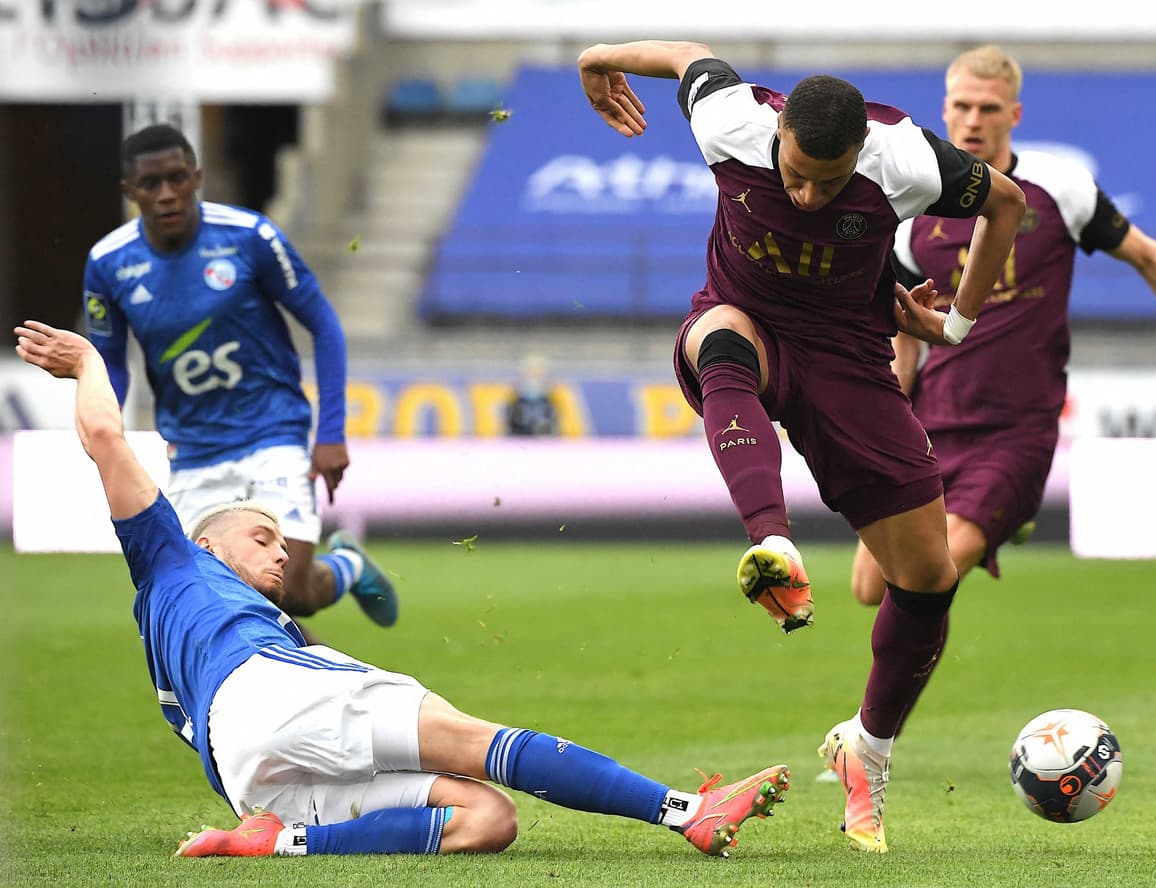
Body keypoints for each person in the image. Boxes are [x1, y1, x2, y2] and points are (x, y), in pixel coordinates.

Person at [13, 319, 792, 860]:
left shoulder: (216, 617)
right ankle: (685, 812)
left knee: (486, 819)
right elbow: (108, 438)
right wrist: (88, 365)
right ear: (205, 542)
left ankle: (276, 841)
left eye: (283, 545)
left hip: (246, 770)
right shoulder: (172, 557)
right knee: (473, 739)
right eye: (261, 539)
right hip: (265, 696)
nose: (279, 556)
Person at [578, 40, 1027, 853]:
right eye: (795, 175)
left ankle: (868, 750)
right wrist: (597, 55)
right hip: (751, 324)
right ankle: (773, 543)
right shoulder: (731, 120)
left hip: (851, 358)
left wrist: (957, 322)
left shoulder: (908, 159)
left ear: (861, 152)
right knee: (718, 340)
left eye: (830, 179)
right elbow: (687, 53)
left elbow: (1006, 204)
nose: (810, 192)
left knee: (928, 578)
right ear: (778, 137)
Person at [849, 45, 1156, 609]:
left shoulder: (1058, 187)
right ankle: (1009, 524)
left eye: (989, 108)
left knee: (933, 574)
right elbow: (903, 338)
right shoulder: (914, 212)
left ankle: (881, 702)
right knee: (870, 587)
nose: (975, 120)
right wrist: (880, 416)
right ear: (945, 110)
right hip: (932, 423)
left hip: (1015, 428)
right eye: (963, 106)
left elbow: (1147, 256)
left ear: (1014, 116)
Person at [83, 124, 397, 631]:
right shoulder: (108, 264)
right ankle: (307, 688)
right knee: (212, 605)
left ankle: (346, 567)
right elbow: (109, 362)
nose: (166, 194)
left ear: (197, 178)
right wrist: (104, 429)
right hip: (194, 452)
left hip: (271, 434)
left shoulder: (250, 237)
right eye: (151, 183)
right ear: (130, 191)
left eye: (177, 178)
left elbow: (323, 323)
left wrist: (331, 433)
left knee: (287, 591)